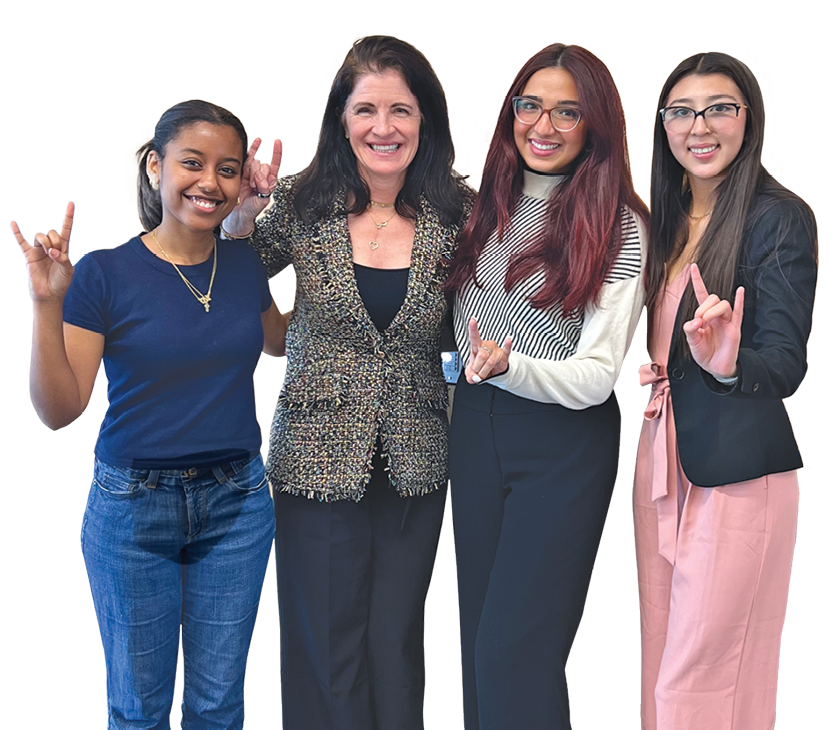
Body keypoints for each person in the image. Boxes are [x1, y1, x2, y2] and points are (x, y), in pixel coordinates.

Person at [220, 35, 474, 729]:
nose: (383, 128)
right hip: (314, 459)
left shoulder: (460, 213)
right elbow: (236, 275)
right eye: (366, 109)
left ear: (426, 121)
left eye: (401, 109)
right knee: (323, 647)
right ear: (342, 119)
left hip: (417, 460)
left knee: (395, 645)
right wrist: (241, 216)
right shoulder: (304, 203)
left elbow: (490, 309)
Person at [12, 99, 286, 728]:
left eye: (227, 169)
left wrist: (351, 282)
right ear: (156, 167)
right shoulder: (105, 273)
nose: (209, 183)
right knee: (138, 710)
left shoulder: (242, 260)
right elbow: (58, 410)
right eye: (193, 163)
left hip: (237, 505)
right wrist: (46, 305)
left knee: (218, 706)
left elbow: (274, 338)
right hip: (134, 508)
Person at [444, 42, 649, 729]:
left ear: (596, 125)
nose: (544, 125)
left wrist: (510, 367)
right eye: (530, 105)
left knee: (516, 652)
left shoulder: (618, 225)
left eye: (568, 111)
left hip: (563, 447)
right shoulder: (480, 210)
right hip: (474, 430)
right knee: (481, 647)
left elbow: (595, 377)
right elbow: (463, 333)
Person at [633, 51, 818, 730]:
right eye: (681, 110)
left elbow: (786, 364)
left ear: (750, 117)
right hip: (662, 455)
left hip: (738, 469)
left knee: (704, 676)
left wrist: (727, 365)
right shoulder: (667, 220)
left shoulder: (779, 218)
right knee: (662, 666)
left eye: (719, 107)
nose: (699, 126)